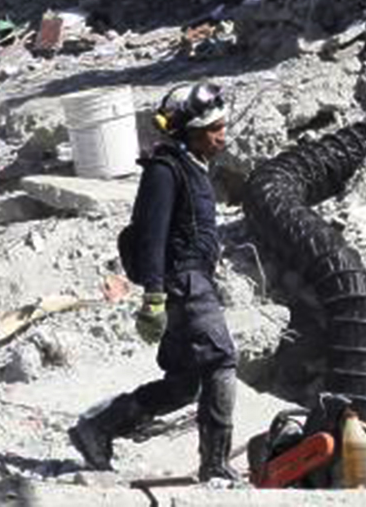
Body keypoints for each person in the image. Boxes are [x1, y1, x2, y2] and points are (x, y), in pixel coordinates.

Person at [69, 82, 239, 481]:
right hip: (184, 281)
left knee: (185, 384)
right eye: (214, 128)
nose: (222, 135)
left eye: (222, 126)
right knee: (221, 360)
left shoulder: (193, 167)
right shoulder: (165, 170)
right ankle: (215, 464)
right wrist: (154, 296)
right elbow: (151, 234)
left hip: (194, 282)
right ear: (191, 131)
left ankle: (98, 429)